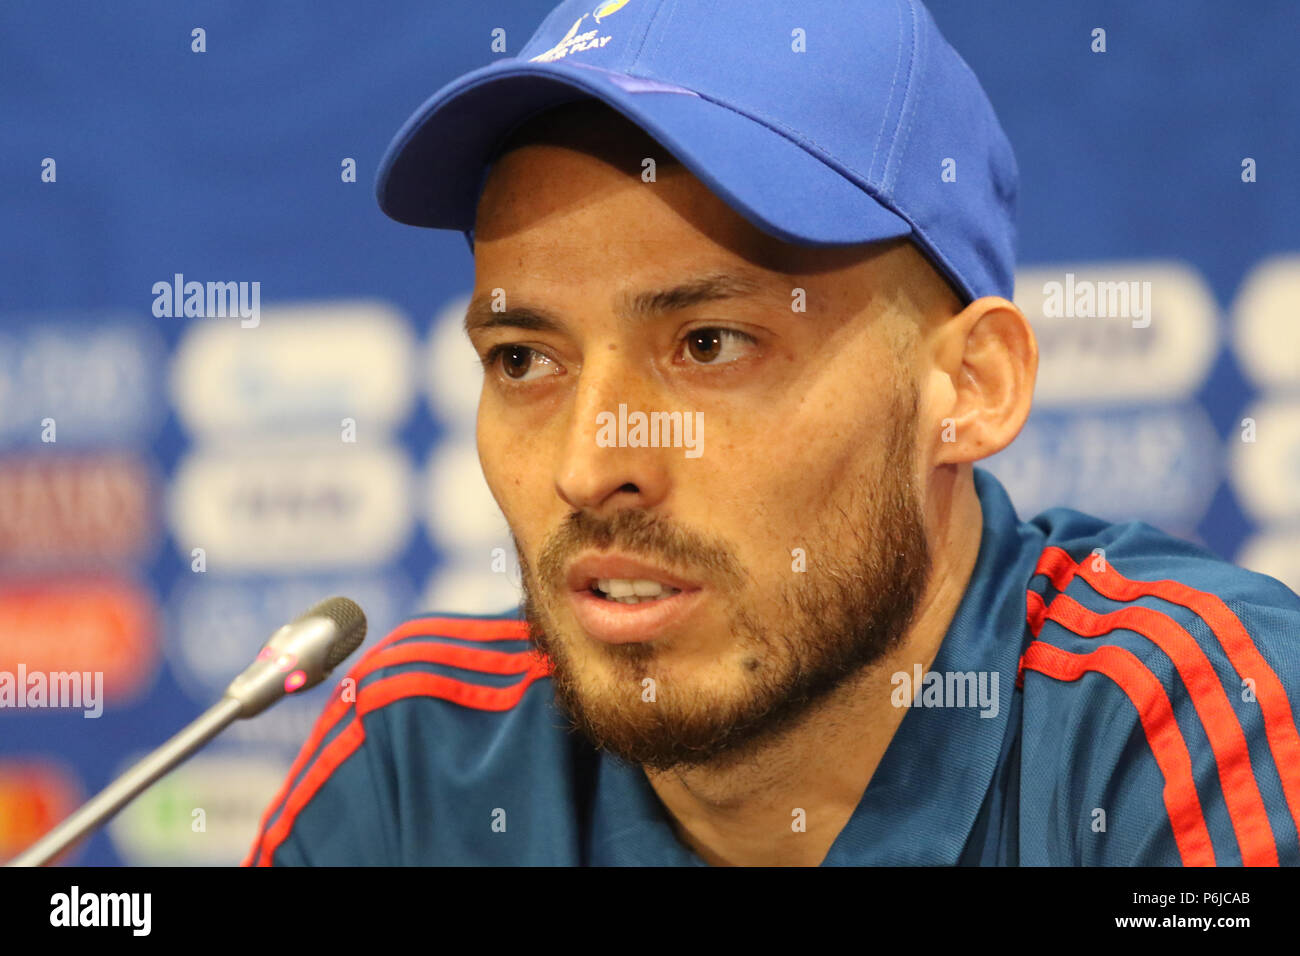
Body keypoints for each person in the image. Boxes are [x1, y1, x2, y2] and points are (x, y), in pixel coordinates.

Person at [245, 0, 1300, 866]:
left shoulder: (1181, 722)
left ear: (968, 388)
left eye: (709, 343)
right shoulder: (419, 768)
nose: (588, 465)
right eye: (524, 359)